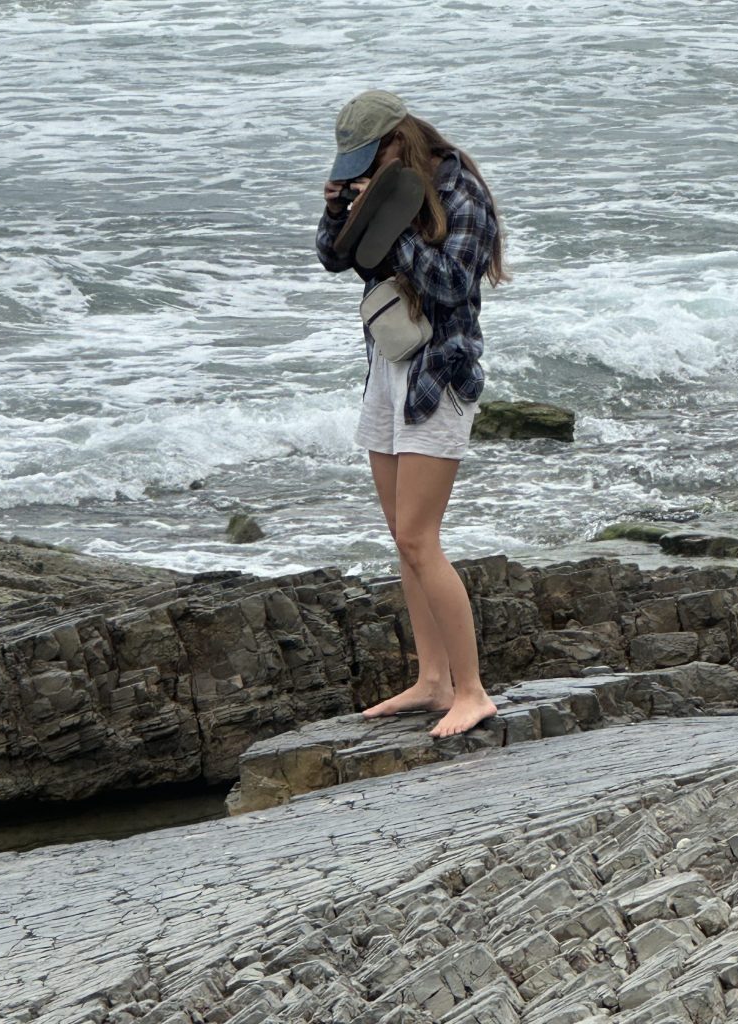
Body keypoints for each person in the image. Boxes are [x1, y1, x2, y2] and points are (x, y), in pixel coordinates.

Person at [316, 90, 509, 738]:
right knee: (403, 538)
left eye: (373, 157)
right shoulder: (377, 185)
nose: (368, 166)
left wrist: (395, 227)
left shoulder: (461, 191)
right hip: (387, 367)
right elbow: (336, 257)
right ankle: (432, 680)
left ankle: (471, 690)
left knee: (421, 538)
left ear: (401, 139)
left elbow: (455, 284)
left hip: (440, 376)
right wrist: (342, 209)